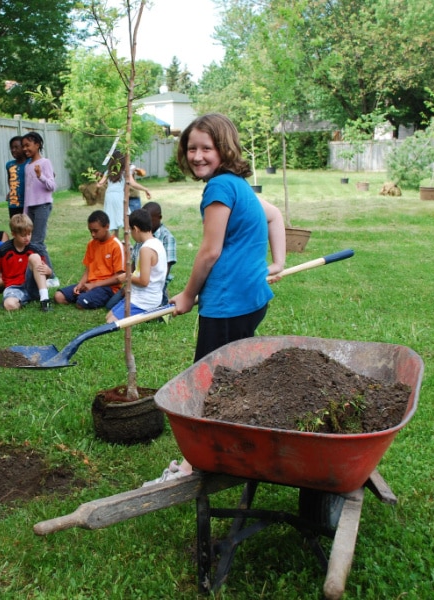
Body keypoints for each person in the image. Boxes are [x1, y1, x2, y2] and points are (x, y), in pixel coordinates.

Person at [146, 113, 286, 486]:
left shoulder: (219, 188)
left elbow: (209, 251)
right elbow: (274, 215)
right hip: (251, 297)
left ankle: (196, 464)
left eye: (206, 148)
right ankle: (237, 444)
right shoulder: (239, 185)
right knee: (234, 375)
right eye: (191, 148)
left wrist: (188, 295)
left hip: (228, 302)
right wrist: (279, 261)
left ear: (224, 148)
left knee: (206, 381)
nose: (197, 155)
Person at [105, 209, 167, 323]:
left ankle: (149, 317)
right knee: (108, 317)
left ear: (136, 229)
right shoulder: (157, 243)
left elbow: (144, 281)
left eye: (130, 231)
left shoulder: (146, 249)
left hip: (145, 301)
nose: (131, 234)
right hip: (138, 296)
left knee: (111, 323)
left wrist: (126, 276)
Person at [54, 210, 125, 310]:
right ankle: (87, 296)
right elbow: (88, 268)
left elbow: (119, 276)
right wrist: (80, 284)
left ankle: (89, 298)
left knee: (81, 303)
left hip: (108, 288)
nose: (92, 234)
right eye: (90, 231)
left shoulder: (116, 245)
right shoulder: (91, 244)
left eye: (96, 231)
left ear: (107, 227)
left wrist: (95, 285)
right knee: (58, 297)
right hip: (90, 284)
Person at [0, 213, 52, 312]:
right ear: (13, 234)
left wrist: (48, 271)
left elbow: (46, 273)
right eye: (23, 235)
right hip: (13, 288)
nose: (27, 238)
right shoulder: (3, 250)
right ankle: (22, 300)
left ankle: (45, 300)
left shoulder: (35, 249)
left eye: (29, 234)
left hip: (33, 285)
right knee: (9, 305)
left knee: (35, 257)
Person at [21, 132, 55, 273]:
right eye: (23, 146)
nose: (24, 149)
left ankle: (51, 274)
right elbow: (28, 192)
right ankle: (36, 270)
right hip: (31, 208)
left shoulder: (45, 162)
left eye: (27, 145)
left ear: (37, 144)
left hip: (43, 205)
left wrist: (40, 176)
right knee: (30, 242)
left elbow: (52, 186)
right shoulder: (27, 166)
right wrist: (24, 213)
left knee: (37, 242)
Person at [98, 151, 152, 239]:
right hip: (119, 196)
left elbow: (99, 184)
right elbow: (133, 183)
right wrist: (145, 189)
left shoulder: (108, 172)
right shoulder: (125, 172)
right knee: (125, 219)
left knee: (112, 219)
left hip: (109, 196)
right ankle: (125, 242)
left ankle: (115, 242)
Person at [5, 136, 28, 218]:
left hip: (27, 203)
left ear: (23, 148)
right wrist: (11, 190)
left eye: (16, 147)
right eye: (11, 148)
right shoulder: (9, 165)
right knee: (15, 227)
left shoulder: (30, 162)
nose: (13, 150)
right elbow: (10, 178)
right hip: (13, 203)